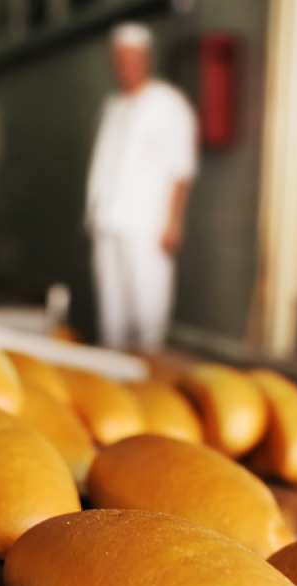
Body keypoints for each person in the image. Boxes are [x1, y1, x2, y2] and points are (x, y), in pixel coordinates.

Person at [86, 22, 198, 352]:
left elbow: (182, 167)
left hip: (147, 226)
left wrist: (175, 219)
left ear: (146, 58)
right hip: (108, 222)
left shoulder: (168, 103)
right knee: (111, 315)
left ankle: (148, 379)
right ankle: (114, 379)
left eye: (132, 58)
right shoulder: (113, 106)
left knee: (147, 312)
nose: (125, 66)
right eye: (119, 59)